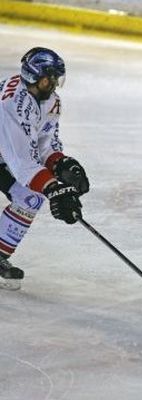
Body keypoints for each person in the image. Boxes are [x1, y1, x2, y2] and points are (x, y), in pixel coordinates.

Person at [0, 47, 89, 290]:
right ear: (34, 76)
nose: (54, 84)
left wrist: (62, 165)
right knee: (37, 187)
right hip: (6, 155)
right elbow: (24, 164)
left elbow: (44, 146)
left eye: (56, 78)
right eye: (49, 78)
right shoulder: (11, 104)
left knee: (30, 196)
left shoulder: (50, 101)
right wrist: (54, 188)